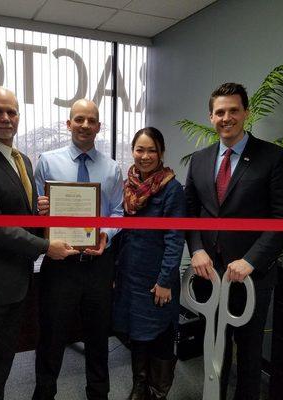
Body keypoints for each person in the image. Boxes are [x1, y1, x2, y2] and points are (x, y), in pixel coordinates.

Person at [0, 86, 78, 400]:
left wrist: (41, 211)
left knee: (1, 362)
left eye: (12, 111)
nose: (6, 118)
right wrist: (46, 246)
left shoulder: (21, 159)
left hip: (15, 282)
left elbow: (19, 214)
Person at [184, 82, 283, 400]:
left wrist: (250, 260)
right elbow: (189, 212)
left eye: (234, 110)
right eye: (220, 112)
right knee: (215, 351)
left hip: (250, 277)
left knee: (248, 357)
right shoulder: (200, 159)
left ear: (246, 113)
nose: (227, 117)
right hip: (210, 273)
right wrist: (196, 250)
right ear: (210, 117)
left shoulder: (273, 158)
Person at [32, 99, 124, 400]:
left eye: (92, 120)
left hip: (98, 264)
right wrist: (40, 210)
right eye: (79, 119)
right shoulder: (47, 161)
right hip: (60, 264)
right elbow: (34, 211)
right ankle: (44, 394)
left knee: (98, 338)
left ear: (99, 126)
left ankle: (98, 394)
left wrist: (106, 236)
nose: (86, 125)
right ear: (68, 124)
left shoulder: (112, 168)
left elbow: (119, 214)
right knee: (51, 336)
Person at [113, 127, 185, 400]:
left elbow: (175, 239)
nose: (145, 156)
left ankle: (158, 391)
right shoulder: (128, 186)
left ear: (161, 153)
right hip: (130, 276)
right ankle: (139, 386)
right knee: (137, 334)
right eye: (140, 149)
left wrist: (165, 280)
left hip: (158, 278)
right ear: (132, 152)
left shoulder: (171, 189)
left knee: (161, 335)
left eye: (151, 150)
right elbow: (120, 232)